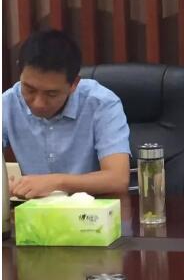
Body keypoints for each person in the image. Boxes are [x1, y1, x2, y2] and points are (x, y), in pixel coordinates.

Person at [2, 30, 130, 199]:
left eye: (51, 94)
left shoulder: (102, 103)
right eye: (29, 89)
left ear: (74, 84)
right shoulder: (7, 103)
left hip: (93, 210)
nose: (38, 103)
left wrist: (55, 182)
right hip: (33, 211)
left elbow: (118, 179)